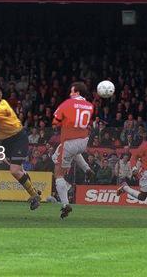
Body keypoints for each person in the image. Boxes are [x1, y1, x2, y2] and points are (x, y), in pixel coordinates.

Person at [51, 82, 95, 218]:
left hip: (69, 142)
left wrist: (61, 123)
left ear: (77, 92)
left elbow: (55, 122)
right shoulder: (90, 106)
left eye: (72, 91)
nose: (70, 94)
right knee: (72, 153)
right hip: (83, 141)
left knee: (58, 174)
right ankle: (87, 168)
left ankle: (65, 204)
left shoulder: (67, 104)